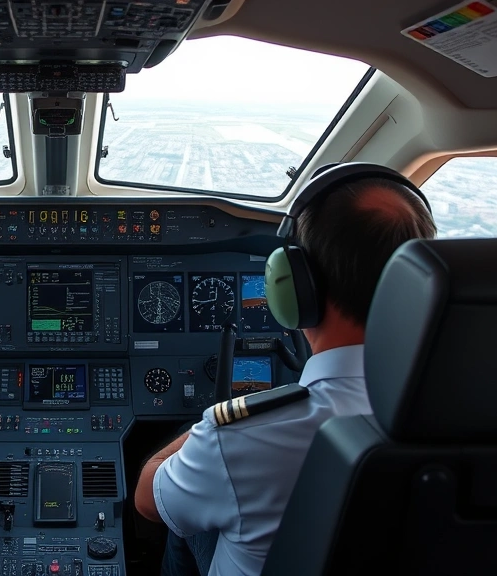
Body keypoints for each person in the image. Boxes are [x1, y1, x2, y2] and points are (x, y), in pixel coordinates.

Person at [133, 163, 437, 576]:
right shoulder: (479, 415)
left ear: (296, 286)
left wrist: (206, 428)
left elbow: (148, 501)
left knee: (184, 516)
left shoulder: (241, 436)